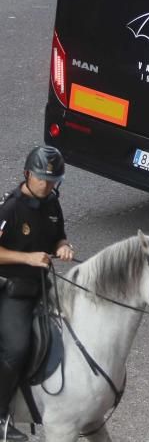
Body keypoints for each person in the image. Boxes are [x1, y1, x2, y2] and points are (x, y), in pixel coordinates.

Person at [0, 146, 75, 442]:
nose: (48, 184)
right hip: (13, 290)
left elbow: (58, 236)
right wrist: (27, 258)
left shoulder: (52, 203)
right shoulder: (11, 208)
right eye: (43, 179)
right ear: (27, 174)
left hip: (43, 286)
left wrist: (63, 248)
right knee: (17, 347)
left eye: (53, 180)